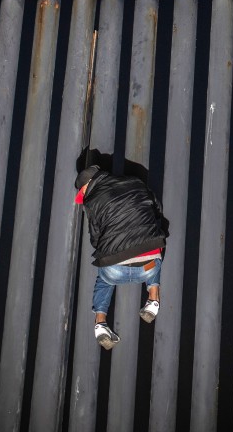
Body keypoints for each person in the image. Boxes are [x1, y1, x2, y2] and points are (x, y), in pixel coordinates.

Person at [74, 149, 169, 350]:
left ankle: (100, 323)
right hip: (148, 267)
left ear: (86, 187)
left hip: (114, 271)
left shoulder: (92, 202)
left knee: (104, 279)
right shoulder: (134, 182)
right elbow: (156, 208)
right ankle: (153, 299)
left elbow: (95, 240)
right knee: (154, 245)